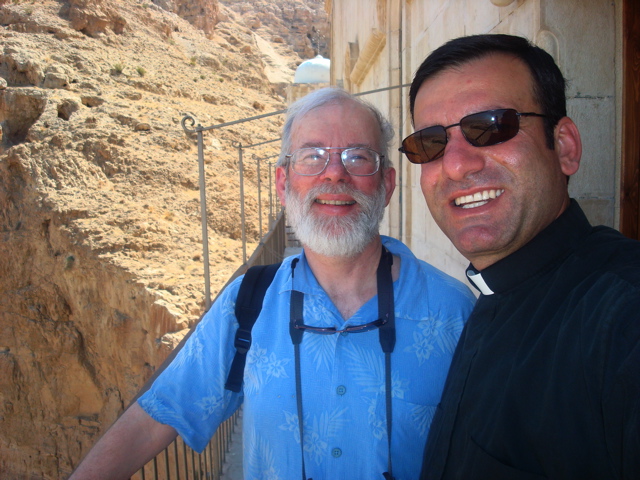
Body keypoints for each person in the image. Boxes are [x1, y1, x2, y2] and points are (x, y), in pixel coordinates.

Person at [69, 87, 475, 480]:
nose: (335, 172)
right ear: (283, 184)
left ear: (386, 185)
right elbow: (157, 416)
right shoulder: (248, 303)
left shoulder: (454, 312)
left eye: (358, 156)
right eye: (312, 156)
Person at [398, 33, 640, 479]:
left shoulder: (623, 317)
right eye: (430, 143)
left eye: (491, 126)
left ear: (564, 146)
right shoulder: (492, 297)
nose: (457, 165)